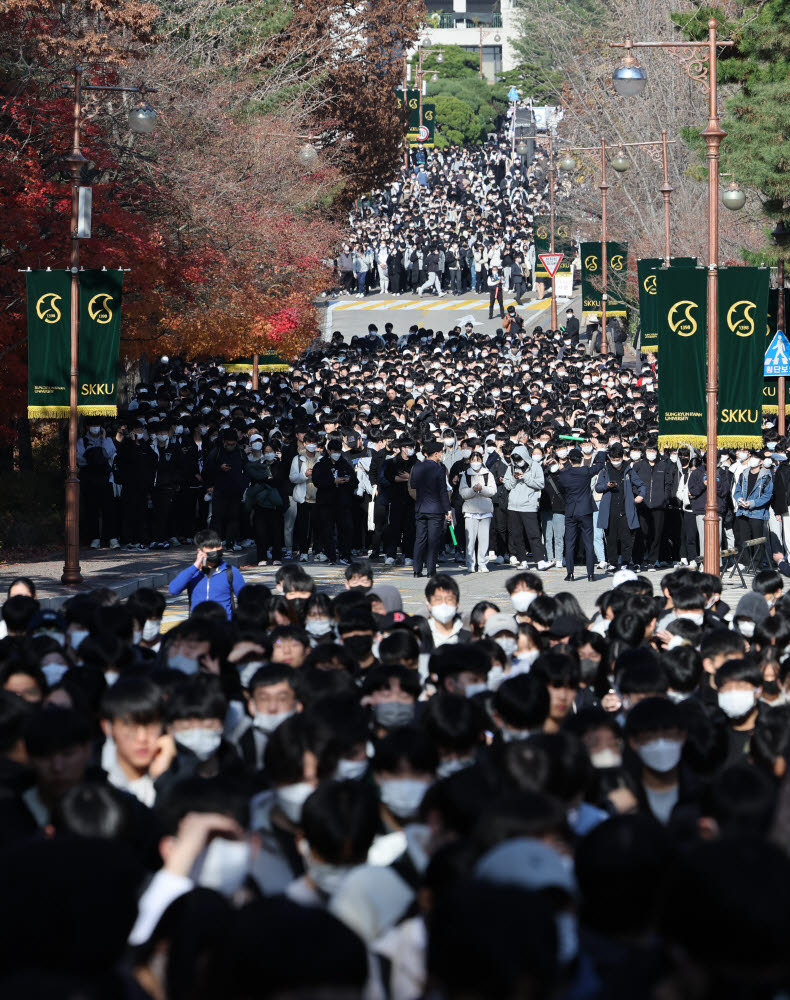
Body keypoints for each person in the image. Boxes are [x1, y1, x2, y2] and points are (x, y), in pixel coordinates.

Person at [168, 528, 246, 620]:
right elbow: (173, 589)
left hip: (224, 629)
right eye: (211, 547)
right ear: (200, 551)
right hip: (198, 629)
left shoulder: (230, 572)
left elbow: (246, 601)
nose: (215, 550)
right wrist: (195, 566)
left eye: (218, 546)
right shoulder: (192, 573)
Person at [410, 440, 452, 578]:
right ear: (436, 454)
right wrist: (448, 510)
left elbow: (413, 484)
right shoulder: (439, 469)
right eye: (441, 452)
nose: (442, 454)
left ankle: (416, 570)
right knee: (433, 540)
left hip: (421, 507)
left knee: (419, 539)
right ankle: (430, 570)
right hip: (435, 509)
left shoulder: (417, 467)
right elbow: (442, 491)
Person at [558, 447, 599, 581]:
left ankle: (570, 573)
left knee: (569, 543)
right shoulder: (585, 471)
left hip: (571, 509)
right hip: (585, 509)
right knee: (588, 543)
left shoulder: (564, 474)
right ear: (581, 459)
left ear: (569, 460)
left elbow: (561, 490)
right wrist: (601, 450)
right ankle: (591, 574)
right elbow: (599, 465)